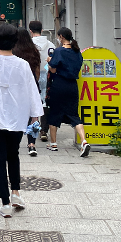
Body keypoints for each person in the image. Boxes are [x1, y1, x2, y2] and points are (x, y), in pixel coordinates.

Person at [0, 23, 44, 217]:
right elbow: (32, 92)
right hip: (17, 116)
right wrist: (35, 116)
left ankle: (5, 203)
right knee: (13, 154)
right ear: (15, 41)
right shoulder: (22, 64)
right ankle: (16, 193)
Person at [45, 26, 91, 157]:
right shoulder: (77, 52)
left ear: (61, 37)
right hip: (72, 86)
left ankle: (53, 143)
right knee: (74, 115)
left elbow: (53, 70)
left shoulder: (59, 51)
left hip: (59, 85)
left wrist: (49, 61)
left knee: (54, 112)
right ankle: (84, 141)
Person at [12, 27, 42, 156]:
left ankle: (14, 142)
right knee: (33, 114)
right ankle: (32, 144)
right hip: (32, 84)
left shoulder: (13, 51)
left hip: (16, 86)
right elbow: (37, 71)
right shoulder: (34, 51)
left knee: (15, 112)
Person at [29, 21, 56, 142]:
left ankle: (34, 126)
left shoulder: (29, 45)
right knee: (45, 101)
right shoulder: (51, 44)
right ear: (42, 29)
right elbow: (53, 61)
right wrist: (45, 69)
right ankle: (44, 130)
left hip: (32, 75)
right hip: (47, 74)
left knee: (33, 100)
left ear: (30, 31)